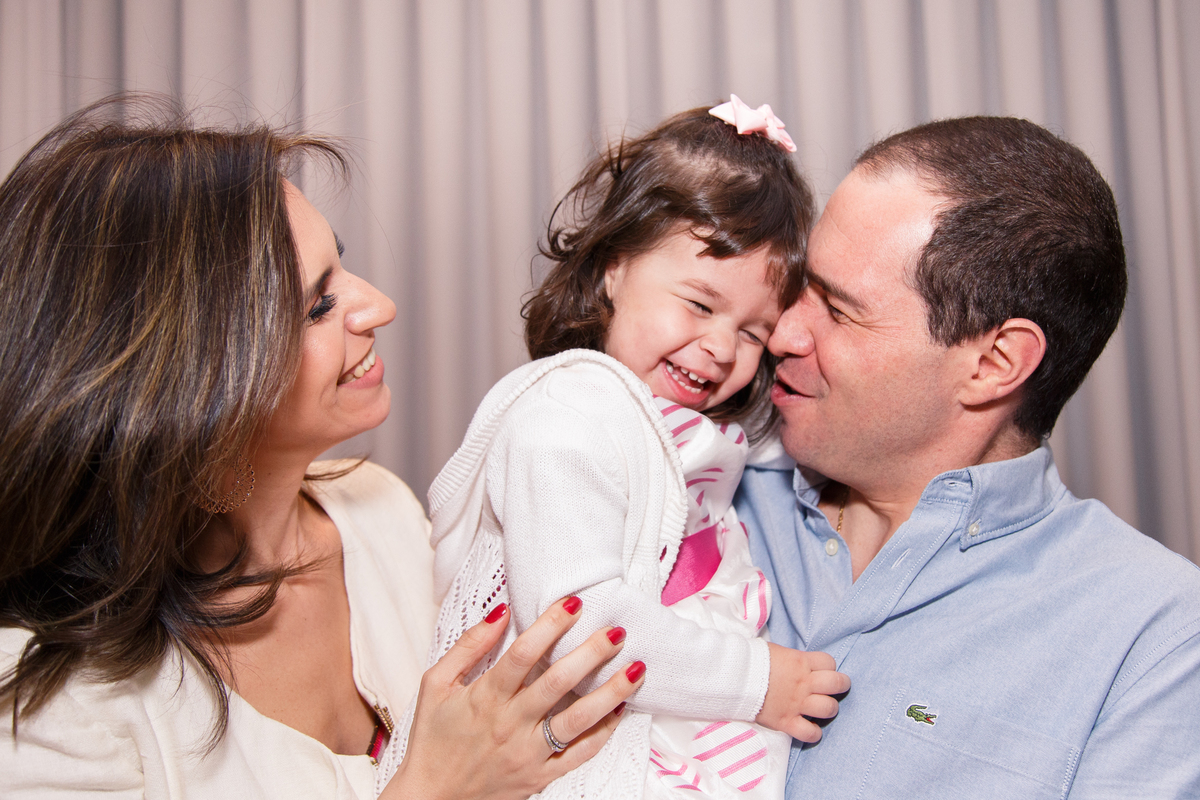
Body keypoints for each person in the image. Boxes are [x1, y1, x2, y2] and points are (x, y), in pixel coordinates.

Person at [0, 99, 646, 800]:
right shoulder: (43, 712)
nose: (378, 306)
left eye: (342, 267)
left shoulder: (380, 510)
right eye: (317, 305)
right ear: (183, 383)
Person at [734, 116, 1200, 798]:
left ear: (993, 363)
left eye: (838, 309)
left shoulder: (1158, 637)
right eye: (802, 285)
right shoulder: (687, 488)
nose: (782, 330)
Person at [410, 99, 849, 800]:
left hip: (672, 719)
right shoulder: (564, 416)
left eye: (752, 333)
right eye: (700, 306)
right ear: (614, 269)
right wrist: (758, 680)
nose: (719, 348)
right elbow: (579, 629)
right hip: (560, 742)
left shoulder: (697, 430)